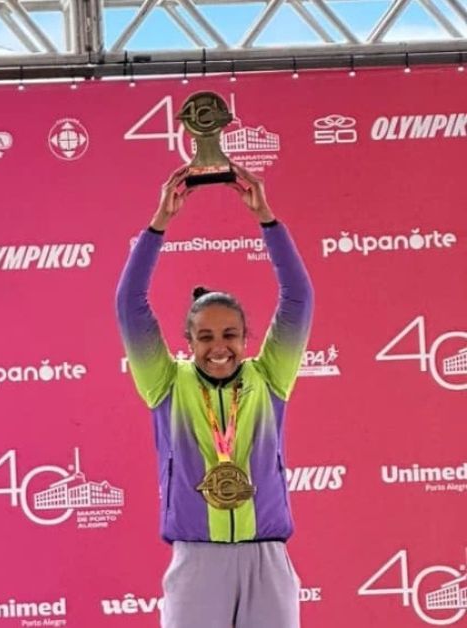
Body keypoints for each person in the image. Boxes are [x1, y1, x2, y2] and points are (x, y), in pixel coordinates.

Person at [116, 163, 314, 628]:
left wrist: (267, 219)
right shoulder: (166, 384)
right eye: (205, 337)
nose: (218, 347)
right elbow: (130, 304)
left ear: (247, 338)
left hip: (267, 558)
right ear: (189, 340)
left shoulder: (270, 378)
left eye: (230, 335)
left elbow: (298, 298)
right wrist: (158, 223)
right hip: (197, 559)